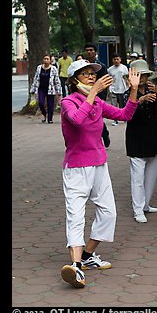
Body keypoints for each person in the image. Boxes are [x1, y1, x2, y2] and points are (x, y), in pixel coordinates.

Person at [59, 59, 141, 288]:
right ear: (74, 81)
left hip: (99, 165)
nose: (92, 77)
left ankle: (87, 255)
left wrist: (133, 91)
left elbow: (125, 115)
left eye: (93, 74)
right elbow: (76, 120)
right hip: (76, 168)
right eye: (86, 74)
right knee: (76, 215)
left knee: (108, 213)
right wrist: (93, 93)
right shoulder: (68, 102)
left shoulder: (98, 104)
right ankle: (75, 268)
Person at [123, 59, 157, 223]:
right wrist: (140, 100)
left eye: (144, 74)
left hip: (153, 134)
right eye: (138, 74)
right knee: (137, 176)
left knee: (151, 173)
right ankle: (138, 210)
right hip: (136, 137)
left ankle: (146, 204)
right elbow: (123, 112)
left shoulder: (152, 89)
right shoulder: (128, 93)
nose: (141, 77)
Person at [84, 42, 111, 148]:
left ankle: (104, 133)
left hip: (99, 95)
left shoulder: (101, 66)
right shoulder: (82, 65)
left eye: (91, 50)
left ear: (95, 52)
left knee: (97, 115)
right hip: (86, 94)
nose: (89, 52)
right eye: (87, 50)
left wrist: (105, 93)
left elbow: (105, 80)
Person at [30, 54, 63, 124]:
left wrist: (59, 91)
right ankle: (44, 114)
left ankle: (50, 119)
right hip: (41, 88)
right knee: (41, 103)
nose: (45, 60)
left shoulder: (53, 69)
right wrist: (33, 89)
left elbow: (56, 81)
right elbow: (36, 79)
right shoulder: (39, 68)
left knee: (50, 104)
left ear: (50, 60)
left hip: (50, 89)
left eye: (47, 59)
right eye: (44, 59)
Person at [107, 53, 129, 126]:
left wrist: (128, 86)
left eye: (117, 59)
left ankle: (125, 117)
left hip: (123, 89)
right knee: (114, 105)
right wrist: (108, 90)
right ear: (112, 60)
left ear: (120, 59)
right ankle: (115, 119)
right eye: (114, 59)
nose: (116, 61)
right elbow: (109, 79)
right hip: (113, 89)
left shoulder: (124, 68)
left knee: (123, 104)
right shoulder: (110, 69)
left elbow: (126, 78)